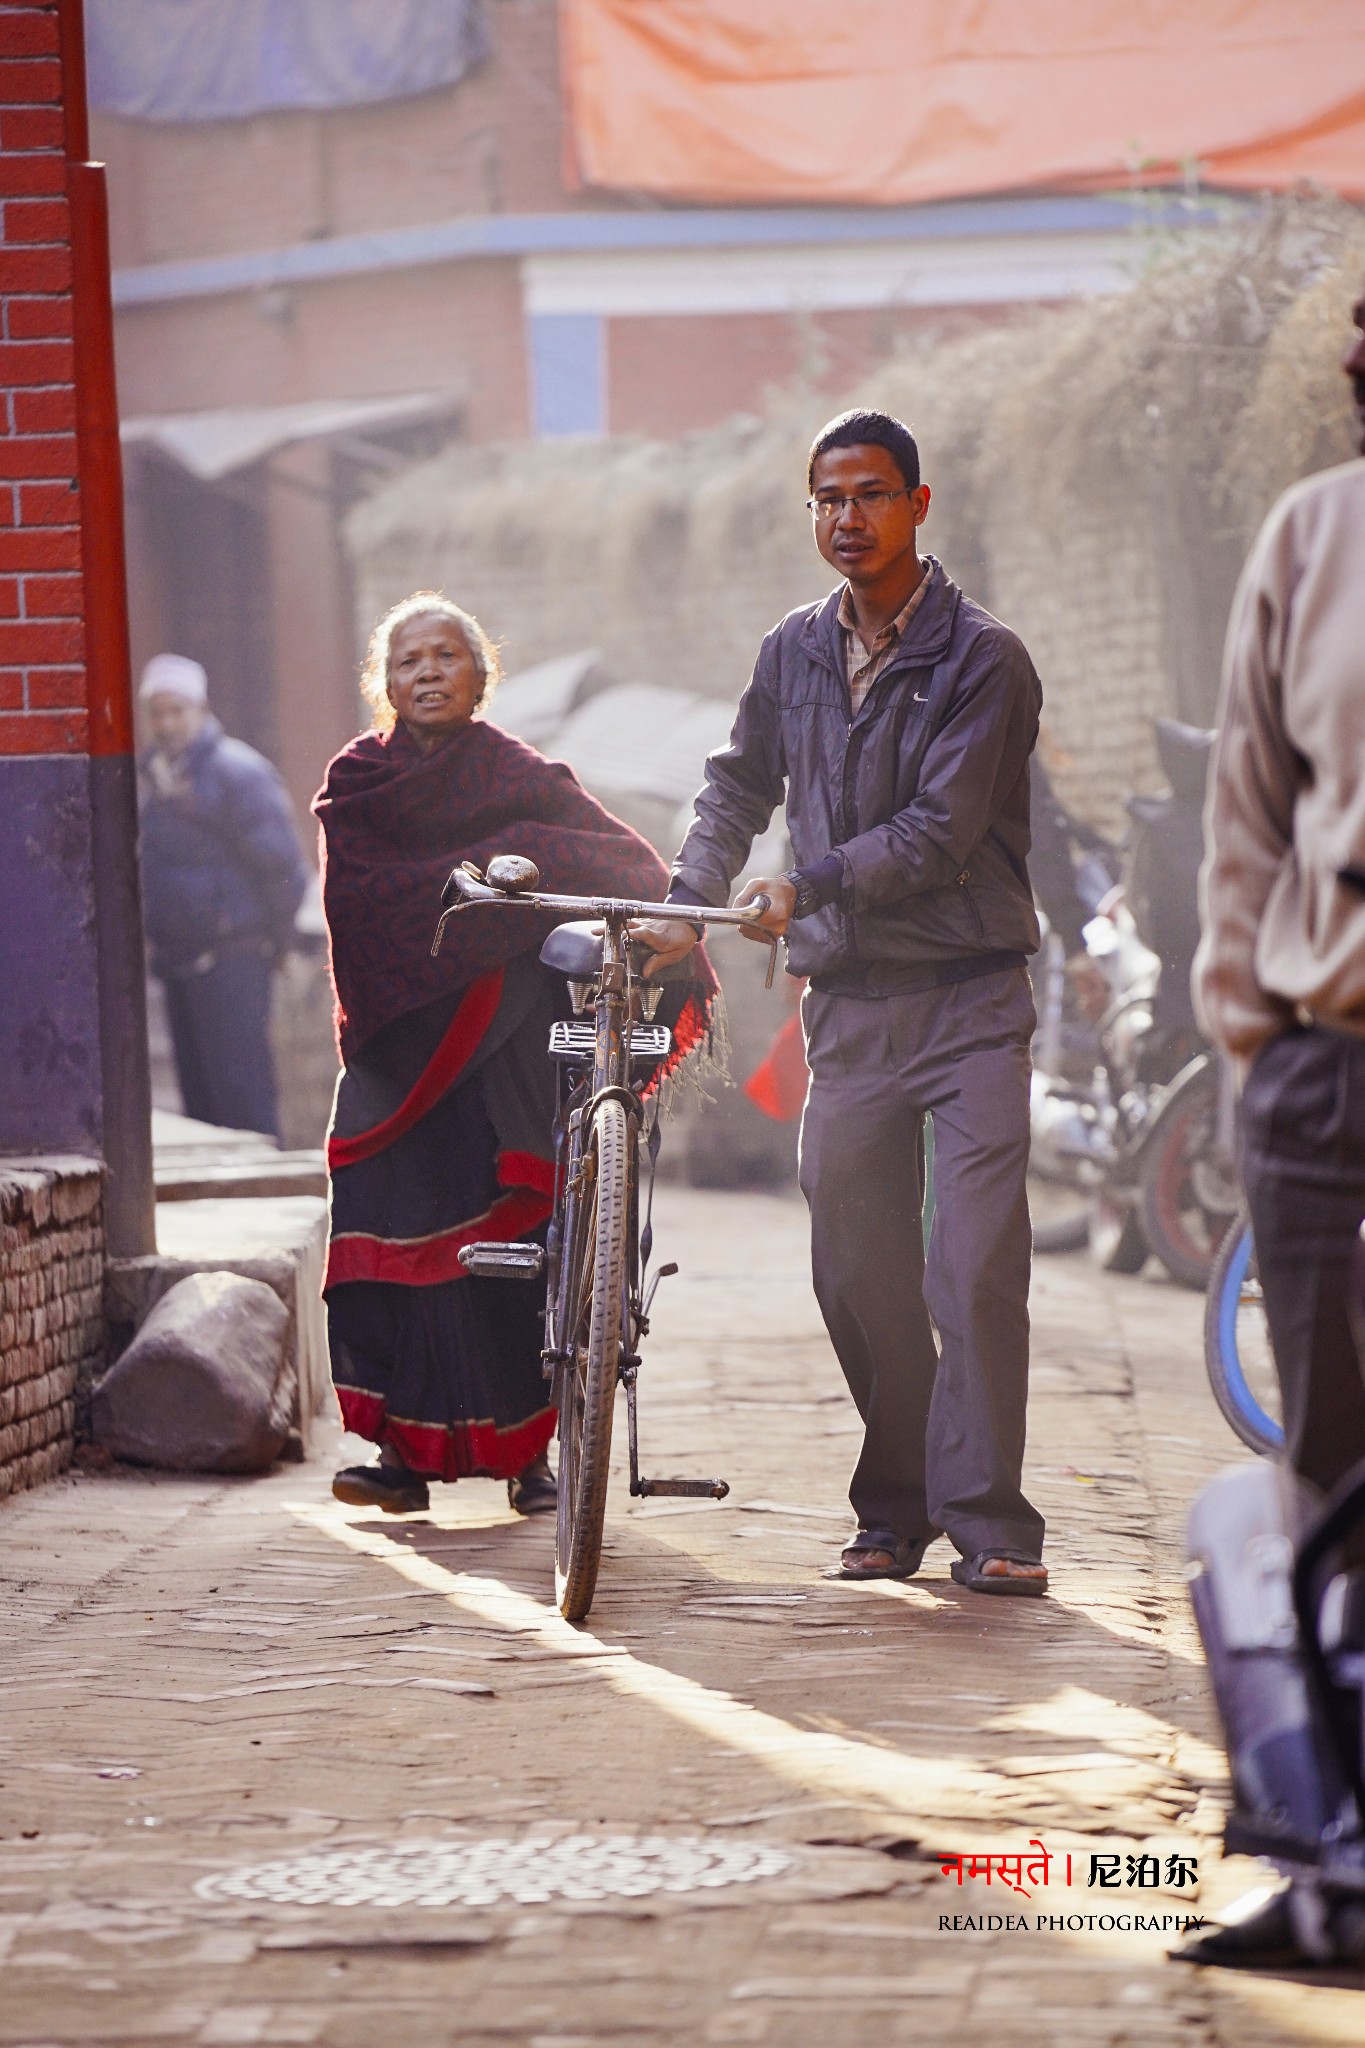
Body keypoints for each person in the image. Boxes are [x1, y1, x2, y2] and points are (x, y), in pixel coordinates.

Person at [634, 409, 1049, 1594]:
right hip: (851, 1008)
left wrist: (803, 881)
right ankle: (898, 1503)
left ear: (920, 504)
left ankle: (994, 1525)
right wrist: (687, 896)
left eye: (869, 494)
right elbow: (734, 784)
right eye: (825, 499)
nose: (845, 519)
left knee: (970, 1264)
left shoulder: (985, 658)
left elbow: (940, 831)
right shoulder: (793, 651)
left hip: (970, 999)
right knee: (850, 1266)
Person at [314, 592, 716, 1518]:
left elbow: (611, 855)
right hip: (399, 1051)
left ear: (480, 675)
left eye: (446, 656)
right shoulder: (358, 785)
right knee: (392, 1236)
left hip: (507, 1044)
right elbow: (364, 908)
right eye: (408, 660)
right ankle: (398, 1459)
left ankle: (533, 1458)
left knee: (523, 1242)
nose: (426, 673)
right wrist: (483, 878)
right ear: (383, 681)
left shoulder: (519, 773)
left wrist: (665, 916)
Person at [1179, 286, 1365, 1970]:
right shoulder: (1314, 538)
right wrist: (1251, 1043)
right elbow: (1247, 812)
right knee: (1325, 1454)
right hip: (1328, 1062)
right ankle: (1336, 1856)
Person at [138, 653, 307, 1139]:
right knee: (200, 1100)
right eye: (157, 712)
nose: (167, 723)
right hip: (179, 960)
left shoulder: (240, 773)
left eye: (177, 710)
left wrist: (277, 941)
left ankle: (266, 1200)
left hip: (234, 955)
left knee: (242, 1091)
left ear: (202, 709)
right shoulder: (152, 778)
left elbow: (281, 867)